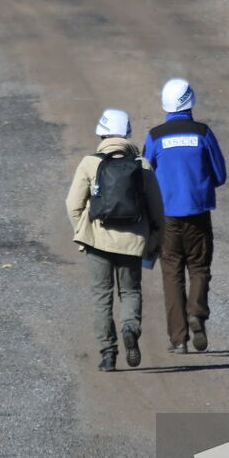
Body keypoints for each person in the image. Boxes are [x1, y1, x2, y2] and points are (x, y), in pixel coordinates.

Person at [66, 109, 164, 372]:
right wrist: (155, 240)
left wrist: (84, 231)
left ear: (102, 133)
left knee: (102, 297)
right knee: (130, 291)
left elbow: (73, 204)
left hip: (98, 242)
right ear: (128, 135)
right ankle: (130, 326)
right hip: (132, 242)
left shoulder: (89, 163)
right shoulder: (142, 165)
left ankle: (108, 355)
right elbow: (157, 210)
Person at [144, 78, 227, 354]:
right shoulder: (203, 133)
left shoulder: (154, 136)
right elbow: (220, 175)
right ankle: (197, 314)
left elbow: (145, 173)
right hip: (199, 215)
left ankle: (178, 339)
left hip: (166, 217)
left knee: (172, 274)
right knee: (199, 268)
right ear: (190, 101)